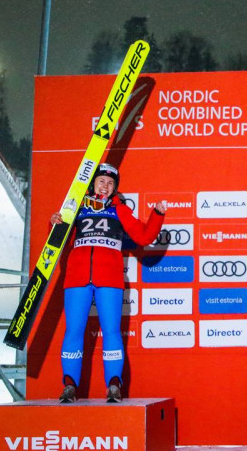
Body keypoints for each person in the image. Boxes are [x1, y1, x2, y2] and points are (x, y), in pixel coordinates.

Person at [51, 163, 166, 403]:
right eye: (102, 181)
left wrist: (157, 214)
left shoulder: (119, 209)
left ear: (115, 189)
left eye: (111, 183)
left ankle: (114, 385)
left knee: (112, 331)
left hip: (109, 278)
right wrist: (56, 224)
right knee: (73, 330)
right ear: (92, 183)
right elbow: (59, 241)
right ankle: (69, 385)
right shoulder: (77, 206)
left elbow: (144, 236)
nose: (106, 185)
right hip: (77, 277)